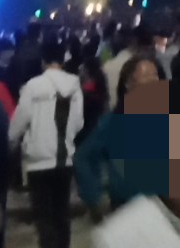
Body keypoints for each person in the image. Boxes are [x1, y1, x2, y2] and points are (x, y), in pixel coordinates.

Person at [10, 42, 86, 248]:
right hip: (64, 157)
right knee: (62, 214)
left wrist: (12, 140)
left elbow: (20, 120)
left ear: (43, 61)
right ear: (63, 60)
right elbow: (79, 122)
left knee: (44, 218)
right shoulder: (74, 85)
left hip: (38, 160)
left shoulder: (33, 85)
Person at [77, 54, 169, 217]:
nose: (153, 81)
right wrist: (95, 197)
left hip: (165, 207)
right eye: (146, 76)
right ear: (128, 83)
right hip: (128, 209)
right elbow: (83, 158)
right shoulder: (113, 122)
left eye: (155, 75)